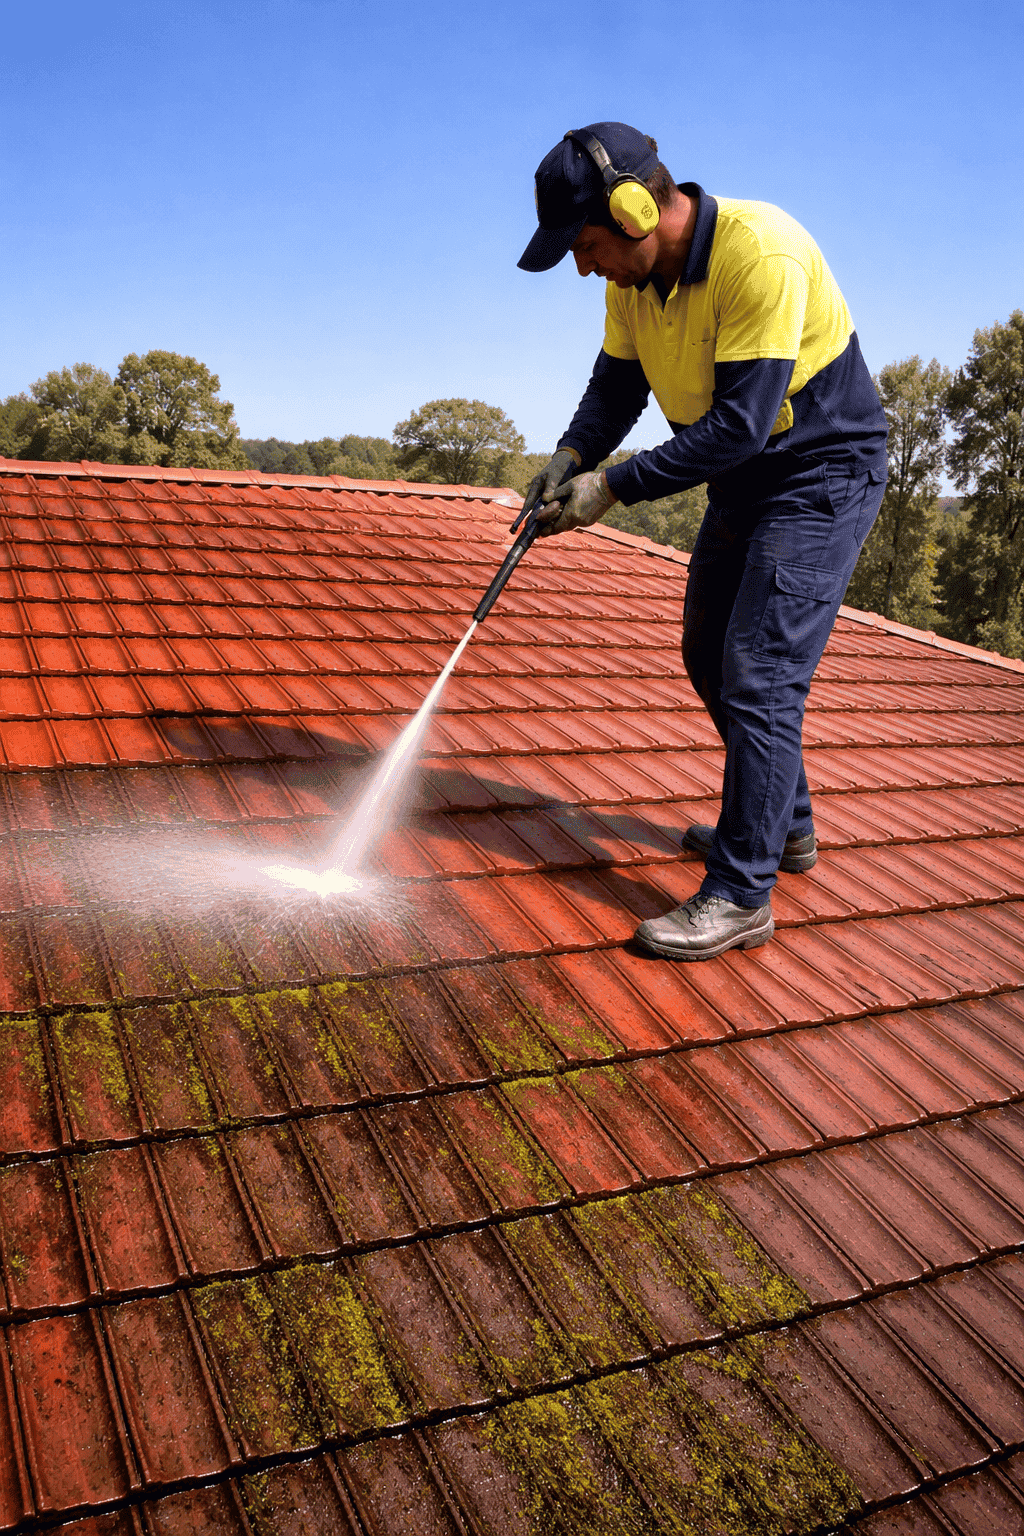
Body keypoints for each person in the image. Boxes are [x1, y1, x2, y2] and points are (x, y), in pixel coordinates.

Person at [517, 122, 888, 962]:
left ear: (636, 209)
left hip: (819, 472)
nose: (582, 265)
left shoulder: (763, 252)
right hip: (746, 473)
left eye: (584, 243)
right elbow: (616, 387)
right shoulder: (633, 283)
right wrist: (571, 457)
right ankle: (784, 827)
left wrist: (609, 487)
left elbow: (739, 427)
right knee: (703, 650)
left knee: (759, 672)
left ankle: (741, 891)